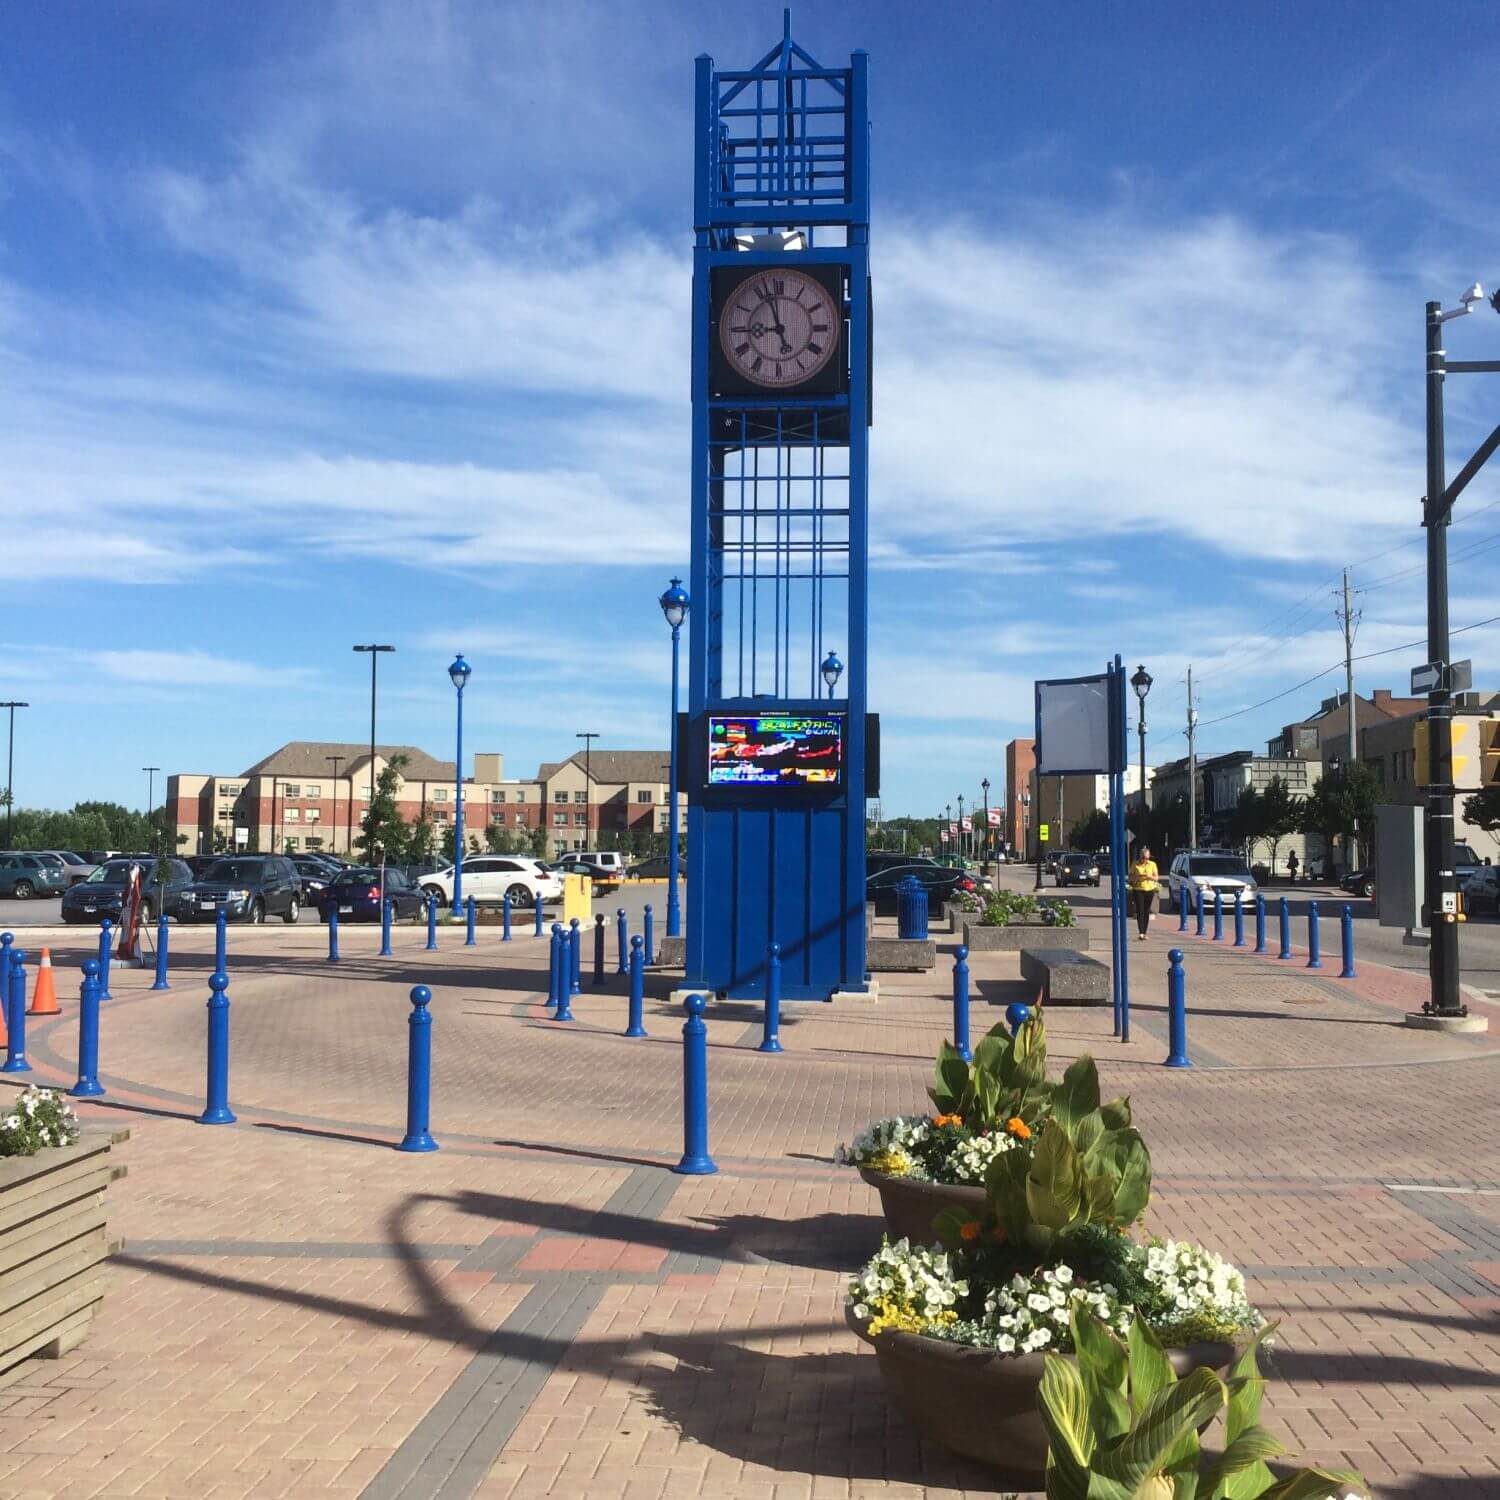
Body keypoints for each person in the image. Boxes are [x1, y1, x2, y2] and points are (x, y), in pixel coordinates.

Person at [1127, 845, 1159, 941]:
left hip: (1149, 889)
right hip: (1138, 889)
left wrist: (1149, 877)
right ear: (1140, 857)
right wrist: (1137, 878)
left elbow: (1156, 877)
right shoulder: (1135, 864)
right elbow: (1130, 877)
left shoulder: (1152, 864)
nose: (1145, 860)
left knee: (1146, 911)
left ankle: (1145, 932)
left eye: (1147, 858)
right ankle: (1141, 932)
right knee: (1140, 911)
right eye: (1143, 858)